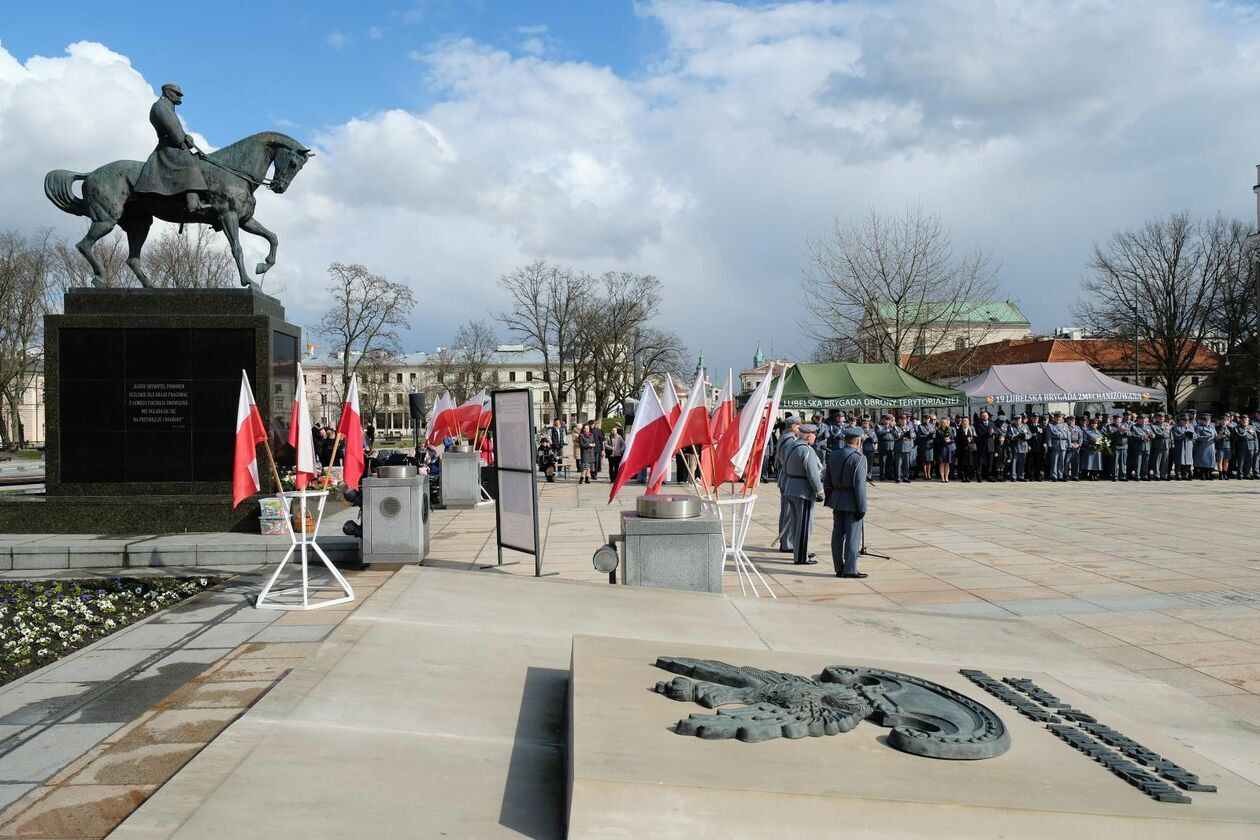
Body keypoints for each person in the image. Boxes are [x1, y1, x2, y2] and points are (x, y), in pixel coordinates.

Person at [134, 83, 211, 216]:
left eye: (179, 94)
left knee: (197, 159)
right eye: (176, 93)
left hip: (175, 145)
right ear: (168, 92)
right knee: (190, 163)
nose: (179, 96)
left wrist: (187, 138)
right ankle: (193, 202)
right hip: (169, 148)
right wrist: (183, 141)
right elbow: (174, 132)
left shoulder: (168, 107)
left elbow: (178, 131)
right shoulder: (160, 107)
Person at [825, 427, 868, 579]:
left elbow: (827, 480)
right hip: (852, 501)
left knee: (837, 535)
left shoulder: (834, 455)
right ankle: (850, 569)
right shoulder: (859, 458)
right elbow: (860, 486)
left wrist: (830, 498)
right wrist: (862, 507)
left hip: (836, 498)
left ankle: (838, 567)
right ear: (858, 441)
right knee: (852, 537)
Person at [783, 424, 824, 565]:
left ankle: (799, 551)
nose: (815, 437)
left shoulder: (791, 446)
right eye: (814, 434)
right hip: (803, 491)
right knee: (805, 525)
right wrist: (820, 491)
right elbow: (813, 475)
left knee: (796, 524)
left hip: (790, 486)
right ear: (808, 435)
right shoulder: (806, 450)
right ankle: (801, 557)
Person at [775, 416, 802, 554]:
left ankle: (786, 542)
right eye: (798, 425)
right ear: (793, 426)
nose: (799, 428)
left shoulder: (784, 437)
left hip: (785, 477)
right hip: (787, 478)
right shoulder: (789, 440)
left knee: (787, 511)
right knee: (788, 512)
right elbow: (788, 461)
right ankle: (787, 543)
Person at [1232, 414, 1258, 479]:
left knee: (1249, 461)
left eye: (1246, 420)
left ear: (1248, 420)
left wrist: (1256, 447)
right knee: (1241, 461)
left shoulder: (1252, 427)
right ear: (1240, 420)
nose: (1245, 421)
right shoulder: (1236, 428)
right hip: (1242, 445)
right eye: (1243, 420)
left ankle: (1246, 474)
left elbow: (1255, 438)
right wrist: (1234, 448)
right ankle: (1240, 474)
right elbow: (1234, 440)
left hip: (1251, 445)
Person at [1193, 413, 1217, 479]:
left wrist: (1219, 437)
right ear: (1202, 421)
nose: (1207, 422)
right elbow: (1196, 437)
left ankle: (1209, 474)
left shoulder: (1212, 427)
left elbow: (1215, 436)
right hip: (1202, 446)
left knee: (1210, 461)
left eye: (1208, 421)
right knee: (1202, 461)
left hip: (1211, 446)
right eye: (1205, 421)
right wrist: (1206, 437)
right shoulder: (1198, 427)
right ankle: (1202, 475)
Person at [1008, 415, 1031, 481]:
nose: (1018, 421)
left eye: (1019, 420)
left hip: (1023, 445)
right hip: (1015, 446)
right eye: (1016, 420)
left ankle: (1021, 476)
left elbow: (1030, 434)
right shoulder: (1011, 426)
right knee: (1014, 462)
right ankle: (1013, 476)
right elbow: (1009, 435)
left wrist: (1025, 436)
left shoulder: (1025, 426)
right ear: (1014, 420)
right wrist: (1017, 436)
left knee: (1022, 462)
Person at [1150, 412, 1172, 481]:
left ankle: (1164, 475)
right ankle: (1156, 475)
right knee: (1157, 461)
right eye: (1159, 417)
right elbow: (1157, 433)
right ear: (1156, 418)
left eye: (1162, 417)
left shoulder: (1167, 424)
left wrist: (1172, 443)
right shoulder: (1153, 425)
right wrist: (1163, 432)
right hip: (1158, 444)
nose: (1161, 418)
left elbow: (1170, 434)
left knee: (1165, 461)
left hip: (1167, 444)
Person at [1172, 414, 1195, 480]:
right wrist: (1184, 435)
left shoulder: (1191, 427)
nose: (1186, 422)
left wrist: (1192, 436)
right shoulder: (1176, 427)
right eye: (1184, 421)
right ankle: (1178, 474)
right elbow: (1175, 436)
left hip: (1188, 446)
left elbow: (1196, 435)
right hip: (1180, 446)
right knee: (1179, 461)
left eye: (1187, 421)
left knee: (1188, 461)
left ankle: (1186, 475)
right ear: (1180, 421)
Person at [1108, 413, 1130, 481]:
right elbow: (1111, 434)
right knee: (1115, 462)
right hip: (1116, 446)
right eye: (1116, 419)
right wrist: (1119, 432)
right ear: (1114, 420)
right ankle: (1114, 476)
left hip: (1124, 446)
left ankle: (1122, 476)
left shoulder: (1125, 425)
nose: (1118, 420)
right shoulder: (1110, 426)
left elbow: (1130, 433)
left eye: (1119, 419)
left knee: (1123, 462)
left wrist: (1126, 432)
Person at [956, 416, 978, 482]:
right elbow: (957, 439)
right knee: (962, 464)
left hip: (970, 449)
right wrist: (965, 439)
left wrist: (972, 439)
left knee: (969, 464)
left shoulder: (971, 429)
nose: (965, 423)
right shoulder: (959, 430)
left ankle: (968, 476)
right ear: (962, 422)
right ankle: (963, 477)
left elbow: (976, 437)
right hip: (962, 449)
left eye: (967, 421)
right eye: (964, 421)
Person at [894, 415, 915, 483]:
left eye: (905, 419)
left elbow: (914, 435)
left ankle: (906, 477)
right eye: (902, 419)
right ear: (899, 420)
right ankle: (898, 477)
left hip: (907, 448)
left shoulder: (909, 427)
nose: (904, 421)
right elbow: (895, 435)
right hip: (899, 448)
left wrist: (910, 434)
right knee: (898, 464)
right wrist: (904, 435)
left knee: (906, 464)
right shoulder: (896, 427)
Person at [876, 415, 897, 482]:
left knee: (890, 462)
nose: (888, 420)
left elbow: (896, 435)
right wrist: (887, 430)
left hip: (891, 445)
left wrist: (893, 428)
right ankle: (882, 475)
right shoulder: (879, 426)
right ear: (882, 420)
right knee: (883, 461)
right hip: (883, 445)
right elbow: (878, 433)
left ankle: (890, 475)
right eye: (886, 419)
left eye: (889, 419)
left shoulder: (893, 427)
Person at [936, 418, 955, 483]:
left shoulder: (950, 430)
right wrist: (943, 440)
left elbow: (953, 440)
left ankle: (946, 477)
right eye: (943, 422)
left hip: (948, 448)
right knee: (942, 463)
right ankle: (942, 477)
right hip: (942, 448)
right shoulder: (938, 430)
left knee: (947, 463)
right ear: (941, 423)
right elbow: (936, 440)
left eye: (945, 422)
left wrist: (949, 440)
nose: (944, 424)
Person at [917, 414, 936, 481]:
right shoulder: (920, 426)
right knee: (924, 461)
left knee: (929, 461)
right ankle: (925, 474)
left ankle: (929, 474)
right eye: (926, 418)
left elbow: (935, 434)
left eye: (928, 419)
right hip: (924, 445)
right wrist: (927, 435)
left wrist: (932, 435)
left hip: (930, 445)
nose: (927, 420)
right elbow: (919, 436)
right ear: (924, 419)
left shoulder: (932, 425)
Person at [1066, 415, 1082, 480]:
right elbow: (1065, 437)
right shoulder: (1065, 427)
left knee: (1076, 462)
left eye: (1073, 420)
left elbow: (1081, 436)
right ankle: (1066, 475)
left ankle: (1075, 476)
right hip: (1069, 446)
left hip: (1076, 446)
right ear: (1067, 420)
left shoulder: (1077, 428)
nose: (1072, 421)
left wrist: (1079, 444)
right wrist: (1070, 444)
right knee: (1067, 462)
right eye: (1070, 420)